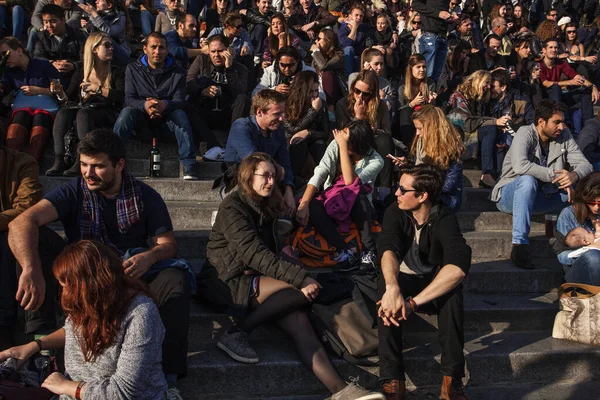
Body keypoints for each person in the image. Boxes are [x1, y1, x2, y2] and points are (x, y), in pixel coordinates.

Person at [7, 130, 191, 399]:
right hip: (83, 274)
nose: (88, 173)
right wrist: (30, 268)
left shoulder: (145, 196)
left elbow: (168, 245)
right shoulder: (74, 191)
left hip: (128, 275)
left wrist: (150, 256)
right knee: (37, 239)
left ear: (119, 165)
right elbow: (21, 222)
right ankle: (41, 338)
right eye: (83, 164)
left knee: (176, 277)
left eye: (98, 166)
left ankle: (170, 376)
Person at [202, 152, 385, 400]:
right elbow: (253, 253)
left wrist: (298, 270)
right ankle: (238, 331)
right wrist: (300, 278)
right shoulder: (233, 207)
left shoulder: (265, 204)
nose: (270, 181)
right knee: (299, 292)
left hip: (256, 274)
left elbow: (277, 248)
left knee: (298, 317)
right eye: (264, 176)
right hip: (226, 278)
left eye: (273, 177)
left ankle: (341, 391)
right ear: (248, 177)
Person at [0, 240, 168, 399]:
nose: (64, 294)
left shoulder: (141, 315)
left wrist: (66, 386)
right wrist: (35, 345)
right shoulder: (88, 303)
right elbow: (72, 330)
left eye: (68, 287)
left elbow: (123, 392)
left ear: (91, 285)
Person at [377, 163, 471, 400]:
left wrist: (413, 304)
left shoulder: (445, 218)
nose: (396, 193)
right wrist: (392, 287)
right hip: (402, 279)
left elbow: (458, 267)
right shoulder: (395, 212)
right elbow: (387, 249)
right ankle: (393, 379)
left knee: (452, 293)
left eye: (402, 189)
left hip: (429, 285)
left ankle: (452, 380)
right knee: (385, 294)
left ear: (422, 196)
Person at [491, 100, 593, 269]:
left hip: (542, 194)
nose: (561, 127)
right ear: (541, 122)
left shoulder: (564, 136)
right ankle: (520, 246)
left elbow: (585, 165)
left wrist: (573, 175)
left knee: (573, 193)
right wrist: (557, 176)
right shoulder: (525, 132)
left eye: (563, 122)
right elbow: (520, 166)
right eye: (556, 122)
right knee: (527, 180)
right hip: (509, 194)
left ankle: (577, 241)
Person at [296, 120, 383, 266]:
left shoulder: (376, 161)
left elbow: (350, 183)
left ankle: (368, 250)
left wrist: (342, 146)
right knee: (312, 204)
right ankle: (345, 250)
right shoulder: (337, 144)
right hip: (333, 203)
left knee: (357, 194)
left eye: (347, 141)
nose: (341, 142)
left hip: (359, 209)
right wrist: (304, 203)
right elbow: (320, 172)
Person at [113, 32, 197, 180]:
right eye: (153, 47)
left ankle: (188, 165)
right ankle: (112, 159)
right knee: (127, 112)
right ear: (145, 49)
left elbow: (180, 100)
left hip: (167, 122)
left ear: (167, 49)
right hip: (141, 122)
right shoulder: (132, 69)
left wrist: (164, 104)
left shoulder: (178, 71)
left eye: (161, 48)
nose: (157, 52)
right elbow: (129, 99)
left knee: (180, 114)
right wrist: (146, 105)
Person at [47, 32, 125, 177]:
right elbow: (68, 99)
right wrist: (59, 93)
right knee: (64, 112)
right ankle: (59, 159)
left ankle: (82, 159)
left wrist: (98, 89)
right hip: (86, 111)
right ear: (94, 49)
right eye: (106, 45)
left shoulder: (116, 72)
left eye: (111, 45)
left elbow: (121, 96)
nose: (111, 48)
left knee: (83, 113)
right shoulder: (81, 73)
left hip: (108, 112)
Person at [224, 89, 297, 215]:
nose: (281, 118)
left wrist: (288, 189)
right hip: (241, 177)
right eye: (276, 114)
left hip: (270, 176)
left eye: (282, 113)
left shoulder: (277, 130)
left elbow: (285, 162)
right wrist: (278, 169)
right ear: (259, 112)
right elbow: (255, 160)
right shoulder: (241, 127)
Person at [0, 146, 43, 350]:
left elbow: (26, 208)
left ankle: (5, 328)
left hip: (9, 232)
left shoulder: (22, 163)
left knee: (12, 239)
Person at [185, 34, 250, 161]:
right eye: (213, 51)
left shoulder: (240, 68)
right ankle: (211, 147)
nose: (216, 55)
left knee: (243, 99)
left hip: (229, 114)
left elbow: (240, 91)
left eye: (220, 51)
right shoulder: (201, 61)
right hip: (206, 110)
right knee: (188, 106)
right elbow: (189, 83)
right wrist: (202, 91)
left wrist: (229, 69)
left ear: (228, 50)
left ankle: (233, 144)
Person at [335, 70, 395, 200]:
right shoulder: (342, 104)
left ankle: (384, 190)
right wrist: (358, 117)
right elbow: (343, 133)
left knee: (384, 140)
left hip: (374, 142)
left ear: (372, 94)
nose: (360, 96)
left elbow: (387, 132)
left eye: (365, 94)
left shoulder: (381, 106)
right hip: (352, 143)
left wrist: (374, 130)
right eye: (357, 91)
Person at [0, 37, 61, 162]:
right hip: (22, 108)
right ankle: (10, 162)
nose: (3, 58)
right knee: (21, 115)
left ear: (19, 51)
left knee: (40, 117)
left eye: (5, 53)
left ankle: (33, 162)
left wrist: (41, 90)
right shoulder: (9, 71)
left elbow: (62, 90)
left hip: (45, 107)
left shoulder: (43, 65)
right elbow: (4, 89)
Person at [393, 105, 464, 212]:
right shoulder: (421, 142)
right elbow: (421, 171)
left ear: (432, 127)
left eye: (420, 129)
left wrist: (422, 188)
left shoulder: (450, 147)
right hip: (424, 191)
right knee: (393, 202)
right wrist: (407, 165)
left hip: (444, 197)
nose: (417, 133)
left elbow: (449, 184)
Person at [448, 70, 505, 188]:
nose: (489, 87)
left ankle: (500, 174)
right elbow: (467, 123)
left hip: (472, 132)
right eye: (487, 83)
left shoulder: (480, 99)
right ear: (478, 81)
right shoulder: (458, 96)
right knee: (491, 128)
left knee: (499, 133)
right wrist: (495, 121)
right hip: (459, 135)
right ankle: (487, 174)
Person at [539, 38, 599, 134]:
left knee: (586, 91)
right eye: (550, 47)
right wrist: (569, 82)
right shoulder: (539, 65)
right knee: (555, 88)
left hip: (559, 98)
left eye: (555, 47)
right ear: (544, 50)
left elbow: (576, 76)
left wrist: (593, 87)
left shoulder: (560, 63)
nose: (554, 50)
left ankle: (588, 126)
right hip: (545, 100)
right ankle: (562, 123)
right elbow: (546, 83)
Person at [283, 70, 330, 179]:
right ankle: (292, 180)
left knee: (320, 143)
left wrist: (308, 133)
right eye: (310, 91)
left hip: (312, 140)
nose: (314, 95)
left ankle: (320, 180)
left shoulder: (321, 103)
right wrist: (313, 111)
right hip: (292, 141)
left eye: (316, 91)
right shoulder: (286, 103)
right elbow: (292, 130)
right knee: (299, 142)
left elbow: (325, 132)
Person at [555, 172, 600, 285]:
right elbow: (562, 256)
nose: (596, 207)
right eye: (591, 202)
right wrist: (590, 248)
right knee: (593, 258)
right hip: (578, 270)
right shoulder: (568, 214)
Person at [33, 4, 86, 88]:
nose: (49, 25)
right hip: (50, 77)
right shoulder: (41, 37)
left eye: (53, 21)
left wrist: (73, 65)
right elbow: (37, 56)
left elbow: (86, 59)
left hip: (74, 77)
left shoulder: (78, 36)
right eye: (46, 22)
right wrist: (52, 63)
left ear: (63, 19)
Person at [396, 53, 436, 148]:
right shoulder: (402, 85)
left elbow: (434, 108)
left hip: (424, 114)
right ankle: (408, 149)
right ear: (411, 69)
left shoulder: (430, 83)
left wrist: (432, 101)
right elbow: (399, 110)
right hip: (408, 118)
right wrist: (413, 103)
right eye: (418, 67)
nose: (422, 70)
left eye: (424, 67)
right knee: (405, 112)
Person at [78, 0, 132, 67]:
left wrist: (94, 14)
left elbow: (109, 32)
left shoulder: (120, 16)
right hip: (101, 52)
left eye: (100, 0)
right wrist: (87, 27)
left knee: (104, 39)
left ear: (109, 5)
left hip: (120, 54)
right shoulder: (98, 14)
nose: (96, 2)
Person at [411, 0, 451, 82]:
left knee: (437, 75)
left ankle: (432, 93)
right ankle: (423, 93)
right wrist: (438, 13)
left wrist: (450, 17)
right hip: (430, 34)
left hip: (442, 35)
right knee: (426, 72)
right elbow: (416, 4)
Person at [252, 46, 316, 96]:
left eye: (291, 65)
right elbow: (254, 95)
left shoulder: (309, 72)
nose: (287, 69)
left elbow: (321, 96)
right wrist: (274, 90)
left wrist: (302, 88)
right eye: (283, 65)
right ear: (278, 62)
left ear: (297, 61)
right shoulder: (269, 72)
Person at [348, 48, 394, 114]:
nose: (380, 67)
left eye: (382, 64)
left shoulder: (386, 84)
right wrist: (366, 74)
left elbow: (389, 111)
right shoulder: (353, 77)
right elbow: (352, 99)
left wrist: (384, 97)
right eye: (376, 64)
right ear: (367, 64)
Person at [310, 28, 346, 109]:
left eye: (319, 38)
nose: (316, 41)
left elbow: (324, 67)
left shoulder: (339, 56)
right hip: (318, 91)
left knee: (327, 74)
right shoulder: (318, 56)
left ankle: (331, 109)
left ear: (328, 41)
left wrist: (315, 51)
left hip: (336, 96)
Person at [337, 4, 371, 75]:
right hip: (345, 58)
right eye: (356, 15)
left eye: (361, 16)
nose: (359, 17)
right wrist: (354, 28)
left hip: (360, 57)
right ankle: (348, 78)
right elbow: (347, 44)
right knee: (349, 49)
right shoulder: (343, 29)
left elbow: (376, 29)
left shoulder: (364, 28)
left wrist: (394, 32)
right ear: (350, 16)